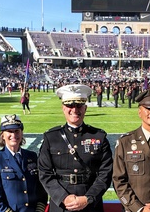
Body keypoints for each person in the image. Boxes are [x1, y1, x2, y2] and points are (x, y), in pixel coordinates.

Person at [38, 84, 113, 212]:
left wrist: (88, 198)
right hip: (61, 204)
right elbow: (44, 173)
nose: (74, 110)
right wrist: (63, 198)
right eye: (69, 105)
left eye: (79, 105)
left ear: (85, 108)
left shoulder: (98, 137)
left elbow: (106, 173)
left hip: (90, 204)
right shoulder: (51, 137)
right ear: (63, 108)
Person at [0, 114, 47, 212]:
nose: (13, 135)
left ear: (21, 133)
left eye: (17, 131)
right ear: (2, 135)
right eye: (9, 131)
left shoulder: (32, 156)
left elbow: (41, 189)